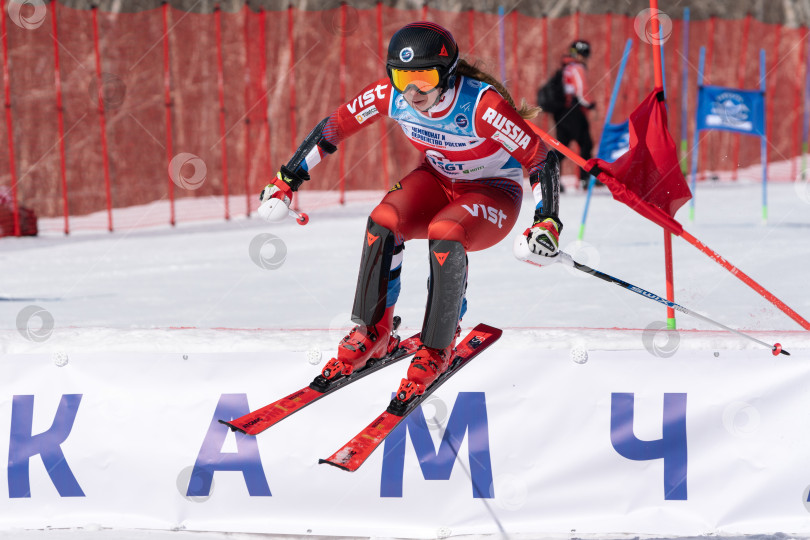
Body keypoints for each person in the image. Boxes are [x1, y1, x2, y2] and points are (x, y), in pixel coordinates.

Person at [257, 21, 563, 401]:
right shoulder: (391, 95)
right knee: (384, 220)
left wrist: (546, 221)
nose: (413, 90)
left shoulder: (482, 106)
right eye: (402, 78)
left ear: (448, 73)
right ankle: (374, 331)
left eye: (424, 77)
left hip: (492, 192)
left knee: (446, 230)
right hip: (437, 179)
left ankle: (438, 346)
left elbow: (540, 159)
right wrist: (287, 179)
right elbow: (333, 128)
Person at [553, 40, 596, 190]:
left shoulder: (566, 67)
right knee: (586, 144)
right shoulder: (577, 67)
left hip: (561, 111)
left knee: (561, 146)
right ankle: (586, 179)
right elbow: (581, 91)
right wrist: (591, 105)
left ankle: (553, 179)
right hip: (573, 110)